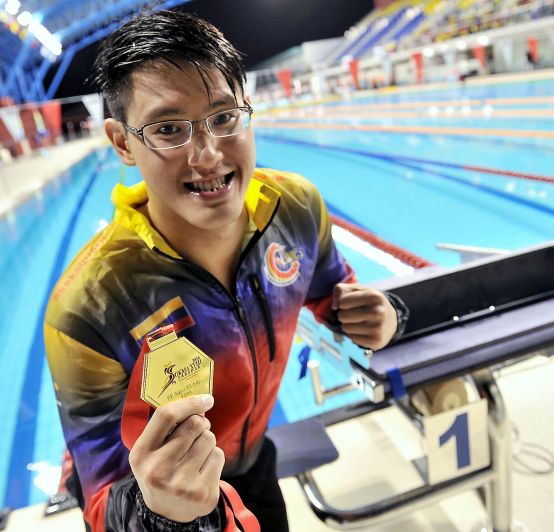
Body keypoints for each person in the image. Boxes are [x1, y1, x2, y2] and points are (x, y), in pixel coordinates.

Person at [44, 8, 408, 532]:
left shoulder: (296, 207)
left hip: (253, 466)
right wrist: (159, 509)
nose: (209, 154)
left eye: (223, 117)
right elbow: (101, 503)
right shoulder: (90, 304)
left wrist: (383, 313)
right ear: (123, 142)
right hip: (153, 506)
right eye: (169, 128)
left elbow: (333, 294)